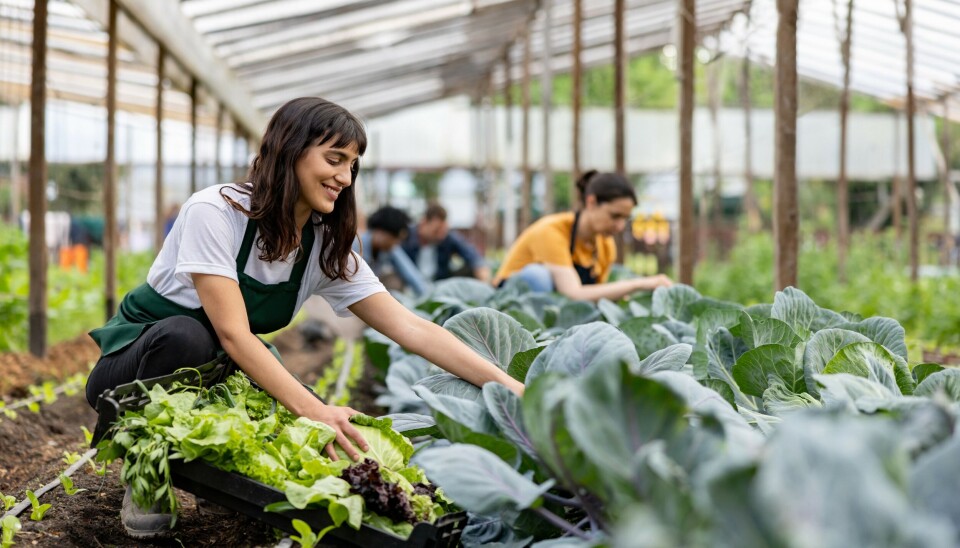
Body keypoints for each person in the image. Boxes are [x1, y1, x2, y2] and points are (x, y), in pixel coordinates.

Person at [84, 97, 523, 538]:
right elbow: (234, 336)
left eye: (352, 165)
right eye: (334, 160)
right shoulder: (215, 212)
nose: (344, 177)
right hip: (132, 375)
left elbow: (411, 328)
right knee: (188, 337)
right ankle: (146, 472)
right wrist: (316, 410)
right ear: (289, 150)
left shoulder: (322, 246)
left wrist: (512, 388)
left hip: (218, 376)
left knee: (304, 429)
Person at [493, 170, 673, 301]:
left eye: (625, 219)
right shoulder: (550, 231)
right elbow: (573, 294)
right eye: (614, 216)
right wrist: (638, 284)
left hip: (553, 311)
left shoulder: (605, 245)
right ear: (591, 202)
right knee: (537, 276)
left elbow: (595, 297)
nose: (619, 226)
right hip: (507, 306)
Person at [400, 203, 490, 283]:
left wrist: (483, 276)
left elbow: (473, 256)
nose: (440, 236)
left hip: (439, 286)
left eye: (443, 231)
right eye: (436, 231)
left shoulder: (447, 238)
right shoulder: (405, 236)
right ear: (424, 223)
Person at [354, 205, 430, 296]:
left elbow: (409, 272)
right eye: (396, 239)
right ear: (381, 231)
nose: (397, 243)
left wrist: (427, 296)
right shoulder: (354, 247)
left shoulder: (388, 249)